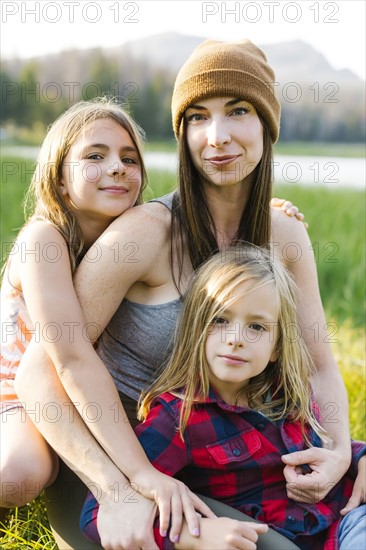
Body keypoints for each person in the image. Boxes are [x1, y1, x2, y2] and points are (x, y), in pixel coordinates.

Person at [14, 39, 354, 549]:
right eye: (197, 117)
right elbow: (40, 372)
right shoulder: (146, 232)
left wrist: (341, 452)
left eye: (238, 111)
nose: (217, 137)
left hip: (210, 453)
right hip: (105, 455)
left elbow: (319, 365)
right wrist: (117, 491)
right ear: (182, 134)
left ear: (267, 125)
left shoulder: (284, 235)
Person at [0, 97, 213, 539]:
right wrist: (129, 479)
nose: (117, 167)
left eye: (129, 158)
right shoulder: (45, 239)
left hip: (76, 393)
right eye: (95, 156)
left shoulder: (137, 235)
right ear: (59, 180)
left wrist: (274, 209)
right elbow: (70, 357)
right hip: (18, 391)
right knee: (20, 473)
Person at [80, 245, 366, 550]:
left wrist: (360, 458)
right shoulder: (179, 419)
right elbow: (101, 514)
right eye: (220, 320)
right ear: (195, 329)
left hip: (346, 523)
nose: (235, 338)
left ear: (278, 347)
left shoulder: (287, 392)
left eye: (256, 326)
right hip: (274, 540)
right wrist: (196, 536)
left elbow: (320, 449)